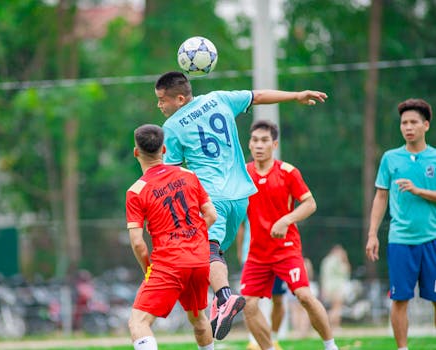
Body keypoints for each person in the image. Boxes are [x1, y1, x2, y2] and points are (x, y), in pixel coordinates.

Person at [154, 71, 327, 340]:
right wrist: (296, 96)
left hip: (213, 198)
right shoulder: (219, 99)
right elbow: (258, 96)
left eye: (162, 100)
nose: (159, 106)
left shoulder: (173, 127)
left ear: (179, 98)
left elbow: (173, 174)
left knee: (205, 251)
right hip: (241, 196)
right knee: (215, 254)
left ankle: (223, 299)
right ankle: (218, 299)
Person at [240, 120, 338, 350]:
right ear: (249, 144)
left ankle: (330, 346)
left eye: (264, 140)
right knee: (248, 305)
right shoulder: (243, 174)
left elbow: (310, 204)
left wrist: (286, 219)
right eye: (255, 140)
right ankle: (269, 348)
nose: (259, 145)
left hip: (286, 250)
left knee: (304, 296)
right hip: (257, 254)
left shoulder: (288, 172)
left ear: (274, 144)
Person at [125, 124, 218, 350]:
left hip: (169, 263)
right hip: (198, 261)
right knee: (198, 319)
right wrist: (192, 236)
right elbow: (211, 215)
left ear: (136, 152)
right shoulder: (188, 175)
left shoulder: (136, 191)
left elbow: (138, 243)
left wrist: (148, 267)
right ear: (164, 150)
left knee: (139, 322)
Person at [365, 98, 436, 350]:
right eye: (404, 123)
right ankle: (402, 348)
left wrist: (418, 191)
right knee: (400, 299)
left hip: (432, 239)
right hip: (400, 241)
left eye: (413, 122)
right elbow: (381, 196)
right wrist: (373, 234)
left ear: (426, 125)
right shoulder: (390, 158)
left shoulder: (435, 158)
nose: (408, 127)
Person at [236, 220, 286, 350]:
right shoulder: (247, 200)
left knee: (278, 300)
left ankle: (273, 339)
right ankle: (253, 341)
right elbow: (241, 227)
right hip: (251, 256)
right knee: (249, 302)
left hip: (277, 255)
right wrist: (240, 252)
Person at [319, 244, 351, 330]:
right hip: (337, 287)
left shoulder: (326, 260)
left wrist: (323, 289)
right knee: (337, 308)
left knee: (334, 308)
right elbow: (345, 272)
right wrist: (345, 259)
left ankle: (330, 326)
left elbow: (323, 276)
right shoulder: (338, 260)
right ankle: (334, 326)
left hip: (328, 287)